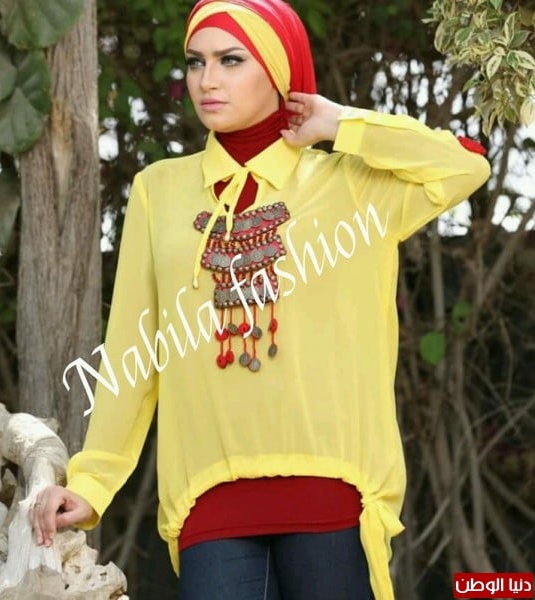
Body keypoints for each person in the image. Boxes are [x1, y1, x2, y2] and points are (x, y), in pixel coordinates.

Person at [29, 1, 491, 598]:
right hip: (208, 501)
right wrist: (93, 484)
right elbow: (133, 354)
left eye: (230, 60)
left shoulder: (352, 184)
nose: (207, 80)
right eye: (196, 62)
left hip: (331, 492)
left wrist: (338, 123)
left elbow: (463, 166)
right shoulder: (158, 191)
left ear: (277, 72)